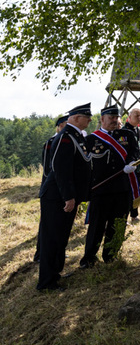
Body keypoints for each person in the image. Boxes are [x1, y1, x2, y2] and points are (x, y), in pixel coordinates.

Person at [36, 102, 93, 292]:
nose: (89, 120)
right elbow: (61, 170)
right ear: (76, 118)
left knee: (61, 237)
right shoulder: (65, 137)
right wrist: (68, 197)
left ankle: (55, 273)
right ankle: (46, 282)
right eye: (87, 117)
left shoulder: (75, 135)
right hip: (57, 196)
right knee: (52, 239)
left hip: (66, 196)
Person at [80, 104, 140, 268]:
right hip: (101, 190)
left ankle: (111, 256)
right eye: (111, 118)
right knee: (97, 225)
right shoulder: (91, 139)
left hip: (122, 188)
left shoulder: (127, 135)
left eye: (116, 117)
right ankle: (89, 259)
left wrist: (132, 162)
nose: (114, 120)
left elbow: (135, 152)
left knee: (118, 224)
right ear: (102, 119)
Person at [33, 115, 68, 263]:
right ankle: (40, 254)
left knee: (59, 224)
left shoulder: (66, 140)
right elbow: (48, 168)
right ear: (59, 126)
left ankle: (56, 253)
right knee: (47, 224)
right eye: (65, 124)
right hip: (52, 189)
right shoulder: (51, 142)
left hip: (63, 189)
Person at [124, 107, 140, 221]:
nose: (139, 118)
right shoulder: (123, 131)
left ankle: (134, 215)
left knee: (136, 191)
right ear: (129, 117)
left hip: (139, 168)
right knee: (127, 193)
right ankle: (124, 216)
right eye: (136, 116)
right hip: (128, 168)